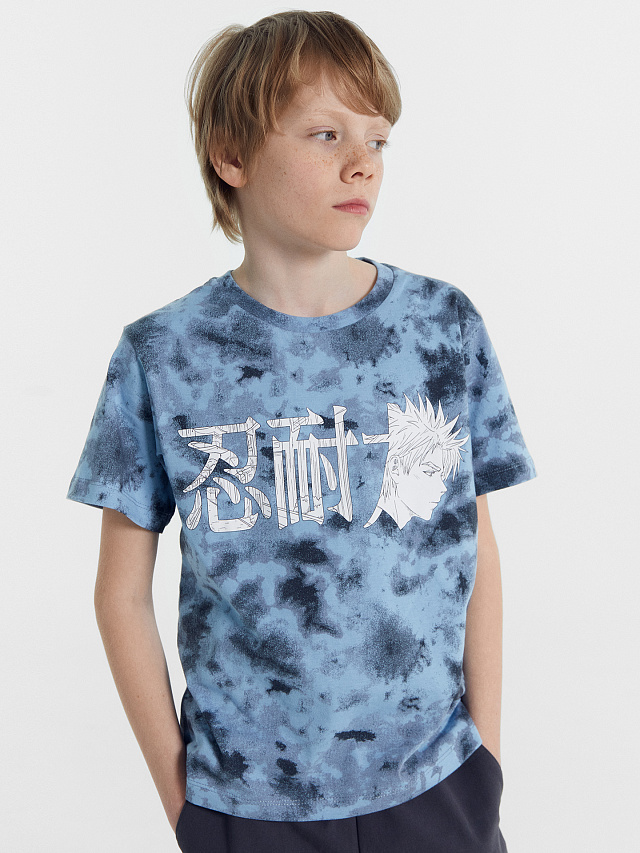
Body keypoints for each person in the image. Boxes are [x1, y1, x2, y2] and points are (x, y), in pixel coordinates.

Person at [67, 10, 536, 852]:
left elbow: (476, 550)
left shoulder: (441, 327)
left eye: (378, 139)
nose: (363, 162)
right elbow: (120, 594)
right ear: (232, 155)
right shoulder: (163, 355)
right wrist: (185, 800)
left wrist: (486, 761)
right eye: (326, 134)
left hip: (438, 786)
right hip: (247, 806)